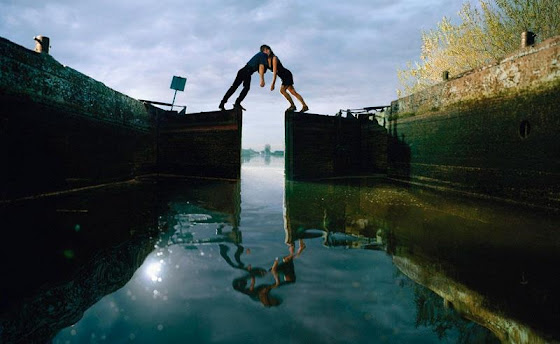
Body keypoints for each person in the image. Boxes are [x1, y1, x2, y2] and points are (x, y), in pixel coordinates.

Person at [219, 45, 271, 111]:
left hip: (242, 71)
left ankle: (222, 103)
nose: (270, 52)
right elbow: (261, 67)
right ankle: (237, 103)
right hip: (247, 72)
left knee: (233, 87)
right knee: (246, 87)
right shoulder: (263, 55)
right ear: (265, 50)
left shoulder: (259, 55)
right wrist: (262, 80)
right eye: (269, 50)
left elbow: (260, 68)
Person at [266, 46, 309, 113]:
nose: (266, 51)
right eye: (264, 50)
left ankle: (293, 105)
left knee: (282, 90)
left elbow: (275, 72)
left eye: (267, 49)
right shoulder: (266, 61)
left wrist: (273, 84)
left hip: (286, 74)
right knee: (293, 92)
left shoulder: (274, 58)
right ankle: (304, 106)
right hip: (283, 76)